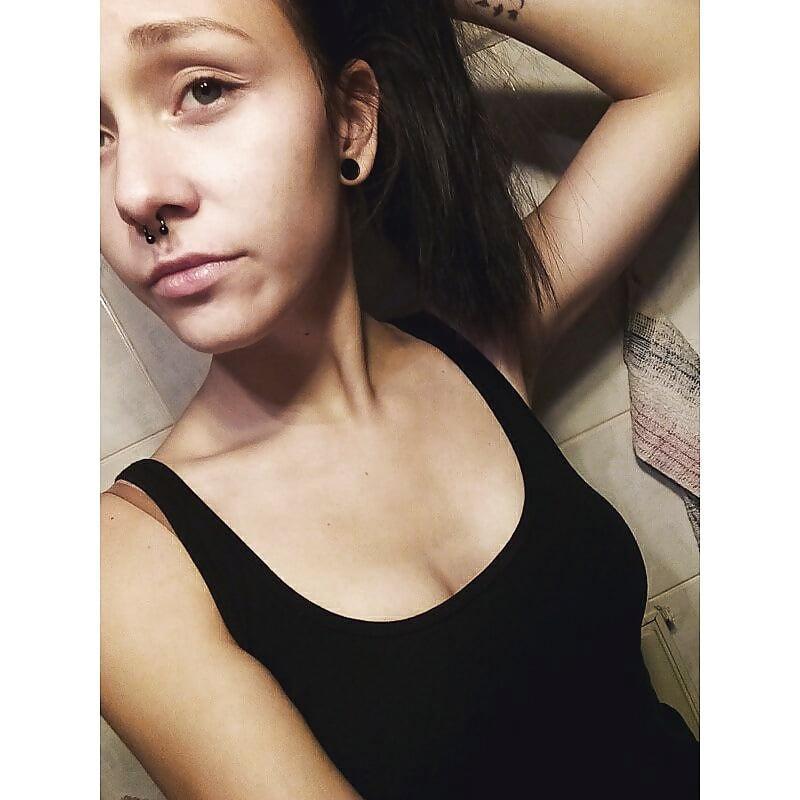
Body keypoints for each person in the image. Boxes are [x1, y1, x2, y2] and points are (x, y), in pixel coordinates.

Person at [100, 1, 700, 798]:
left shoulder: (479, 346)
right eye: (86, 137)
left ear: (350, 121)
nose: (136, 192)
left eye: (204, 89)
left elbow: (691, 65)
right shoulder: (128, 567)